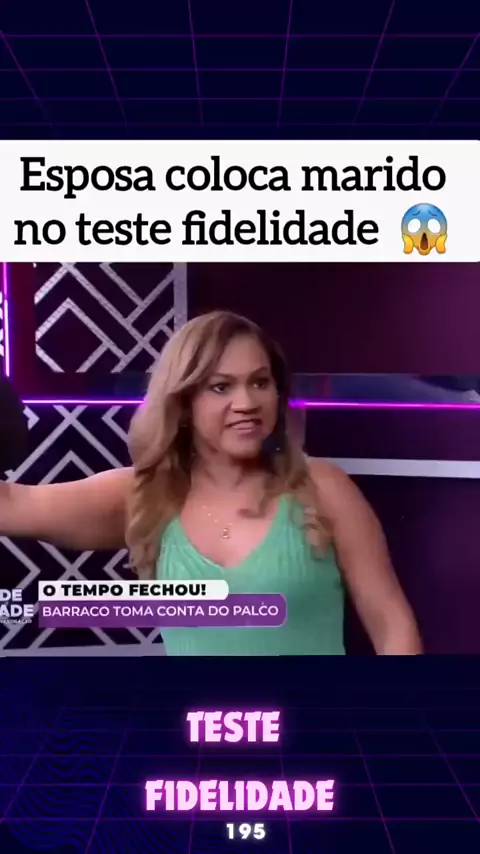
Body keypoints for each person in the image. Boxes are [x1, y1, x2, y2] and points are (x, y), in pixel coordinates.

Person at [0, 311, 422, 656]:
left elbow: (393, 627)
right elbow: (12, 507)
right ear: (184, 403)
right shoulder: (145, 495)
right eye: (221, 387)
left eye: (260, 382)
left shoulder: (325, 488)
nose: (247, 403)